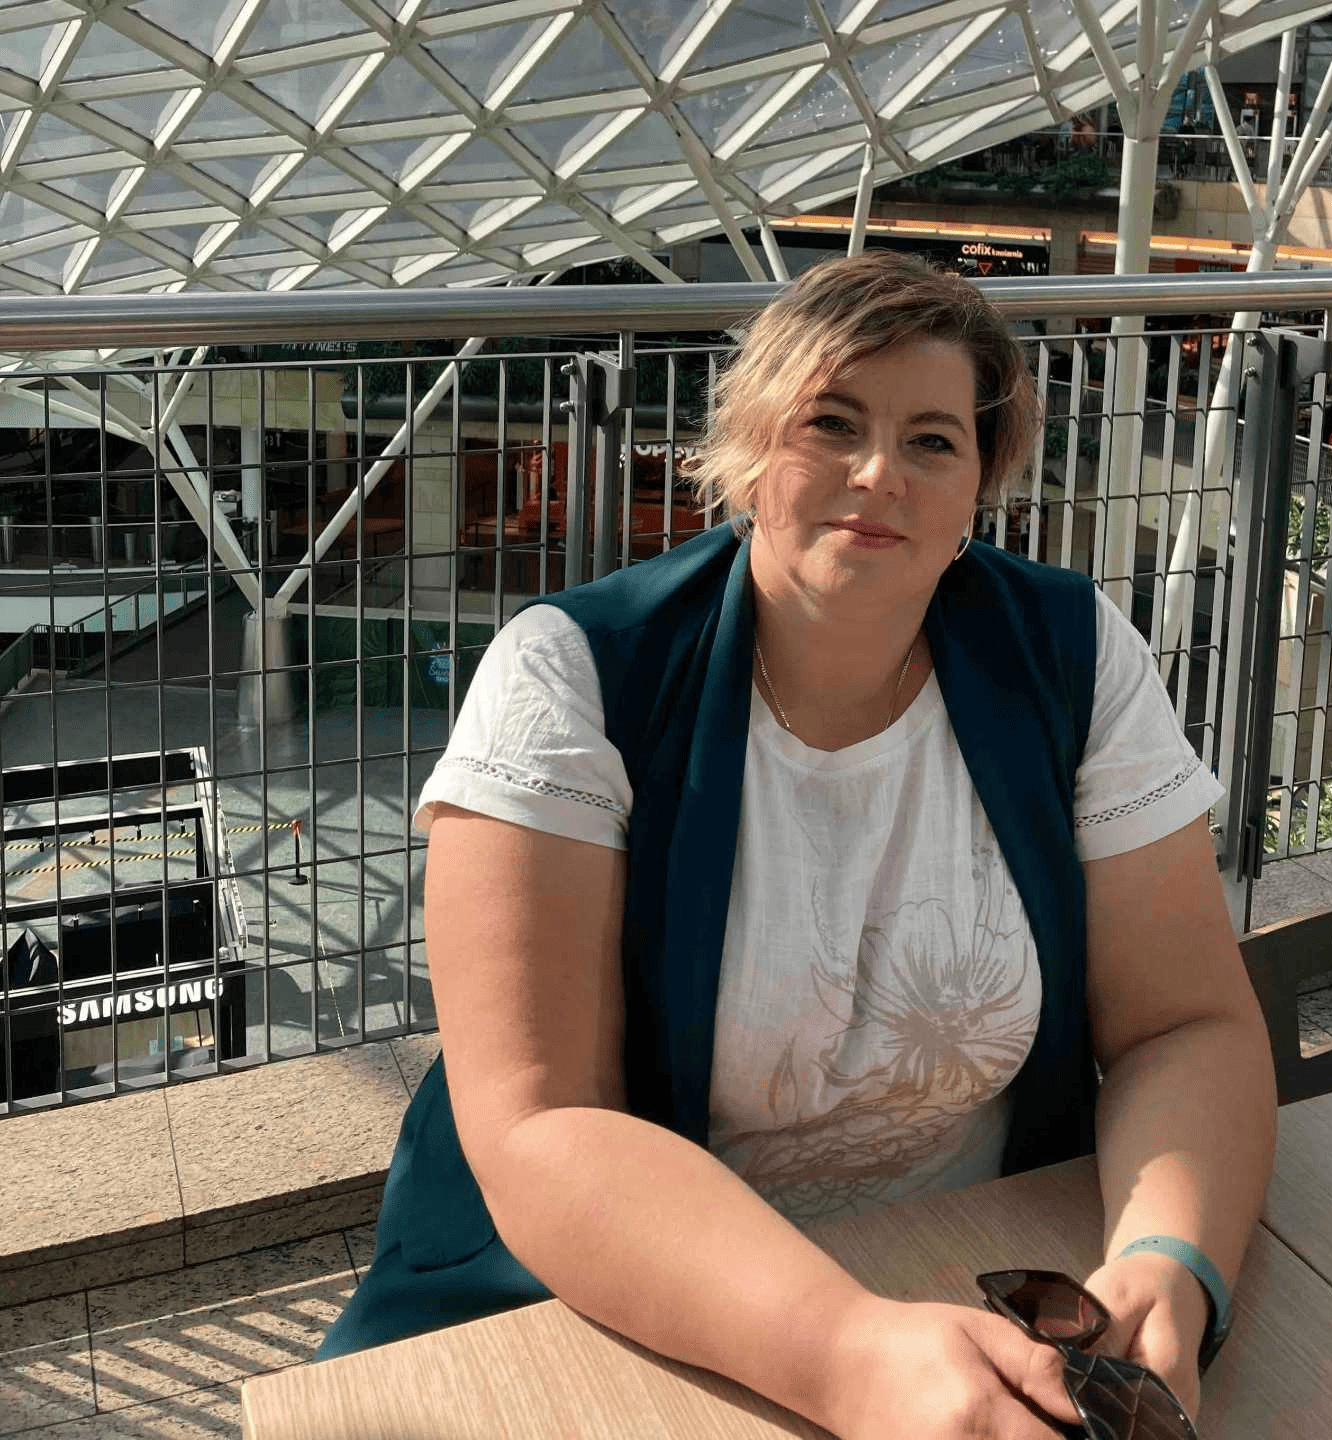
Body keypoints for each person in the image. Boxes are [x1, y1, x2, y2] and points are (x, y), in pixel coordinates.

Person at [318, 252, 1277, 1437]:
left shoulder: (1073, 654)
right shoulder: (571, 676)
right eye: (832, 423)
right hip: (636, 1309)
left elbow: (1183, 1023)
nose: (879, 473)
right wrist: (849, 1355)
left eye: (933, 440)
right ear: (749, 446)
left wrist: (1168, 1265)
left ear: (980, 485)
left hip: (966, 1260)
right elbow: (542, 1124)